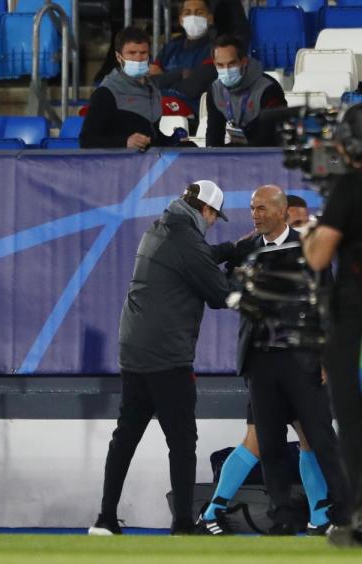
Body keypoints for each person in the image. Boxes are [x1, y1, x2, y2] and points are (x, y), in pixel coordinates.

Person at [202, 186, 350, 536]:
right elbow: (212, 277)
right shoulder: (246, 249)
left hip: (302, 359)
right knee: (268, 444)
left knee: (321, 438)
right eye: (253, 208)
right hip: (261, 363)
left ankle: (341, 514)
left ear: (282, 211)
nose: (255, 214)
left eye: (262, 208)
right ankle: (282, 515)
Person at [90, 181, 234, 536]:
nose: (214, 223)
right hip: (168, 356)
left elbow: (194, 258)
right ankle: (183, 524)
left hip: (134, 352)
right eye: (215, 217)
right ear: (206, 211)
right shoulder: (186, 237)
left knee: (125, 436)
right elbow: (219, 294)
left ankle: (106, 518)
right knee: (183, 442)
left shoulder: (162, 226)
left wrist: (230, 249)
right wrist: (246, 275)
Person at [303, 104, 362, 548]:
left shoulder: (348, 186)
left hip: (352, 309)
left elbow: (319, 257)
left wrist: (310, 226)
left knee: (350, 414)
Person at [81, 27, 178, 151]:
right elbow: (87, 140)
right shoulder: (106, 92)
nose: (138, 58)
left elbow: (151, 134)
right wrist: (125, 142)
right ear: (118, 56)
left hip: (149, 163)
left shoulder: (152, 89)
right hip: (120, 165)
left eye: (143, 53)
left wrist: (172, 140)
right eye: (131, 53)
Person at [206, 35, 287, 148]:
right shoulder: (215, 91)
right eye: (220, 65)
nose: (226, 70)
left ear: (244, 61)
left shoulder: (268, 89)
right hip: (238, 154)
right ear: (214, 64)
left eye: (232, 64)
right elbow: (214, 134)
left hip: (268, 156)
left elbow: (269, 137)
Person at [150, 0, 219, 115]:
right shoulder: (169, 49)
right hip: (160, 100)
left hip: (194, 109)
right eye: (187, 13)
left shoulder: (215, 50)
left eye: (199, 12)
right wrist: (180, 74)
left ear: (210, 18)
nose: (193, 17)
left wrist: (164, 78)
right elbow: (150, 83)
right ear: (181, 20)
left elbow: (192, 88)